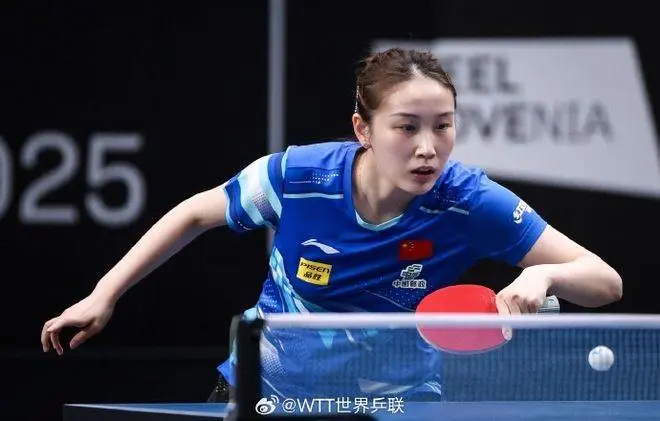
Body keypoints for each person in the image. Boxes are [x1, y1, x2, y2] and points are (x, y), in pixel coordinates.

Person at [41, 48, 622, 402]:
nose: (428, 147)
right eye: (407, 127)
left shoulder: (469, 201)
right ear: (363, 129)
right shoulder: (297, 176)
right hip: (266, 394)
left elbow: (604, 281)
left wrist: (545, 276)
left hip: (396, 403)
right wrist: (103, 294)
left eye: (443, 125)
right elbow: (195, 213)